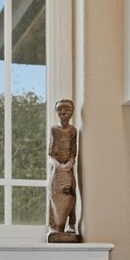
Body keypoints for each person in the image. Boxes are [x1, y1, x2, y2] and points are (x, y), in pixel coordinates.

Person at [47, 99, 81, 242]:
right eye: (60, 109)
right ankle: (55, 226)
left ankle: (71, 223)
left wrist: (70, 162)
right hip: (57, 169)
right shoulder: (54, 130)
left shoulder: (73, 131)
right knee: (55, 196)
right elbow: (50, 154)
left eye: (67, 109)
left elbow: (74, 152)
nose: (64, 112)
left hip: (68, 168)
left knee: (70, 194)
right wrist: (56, 164)